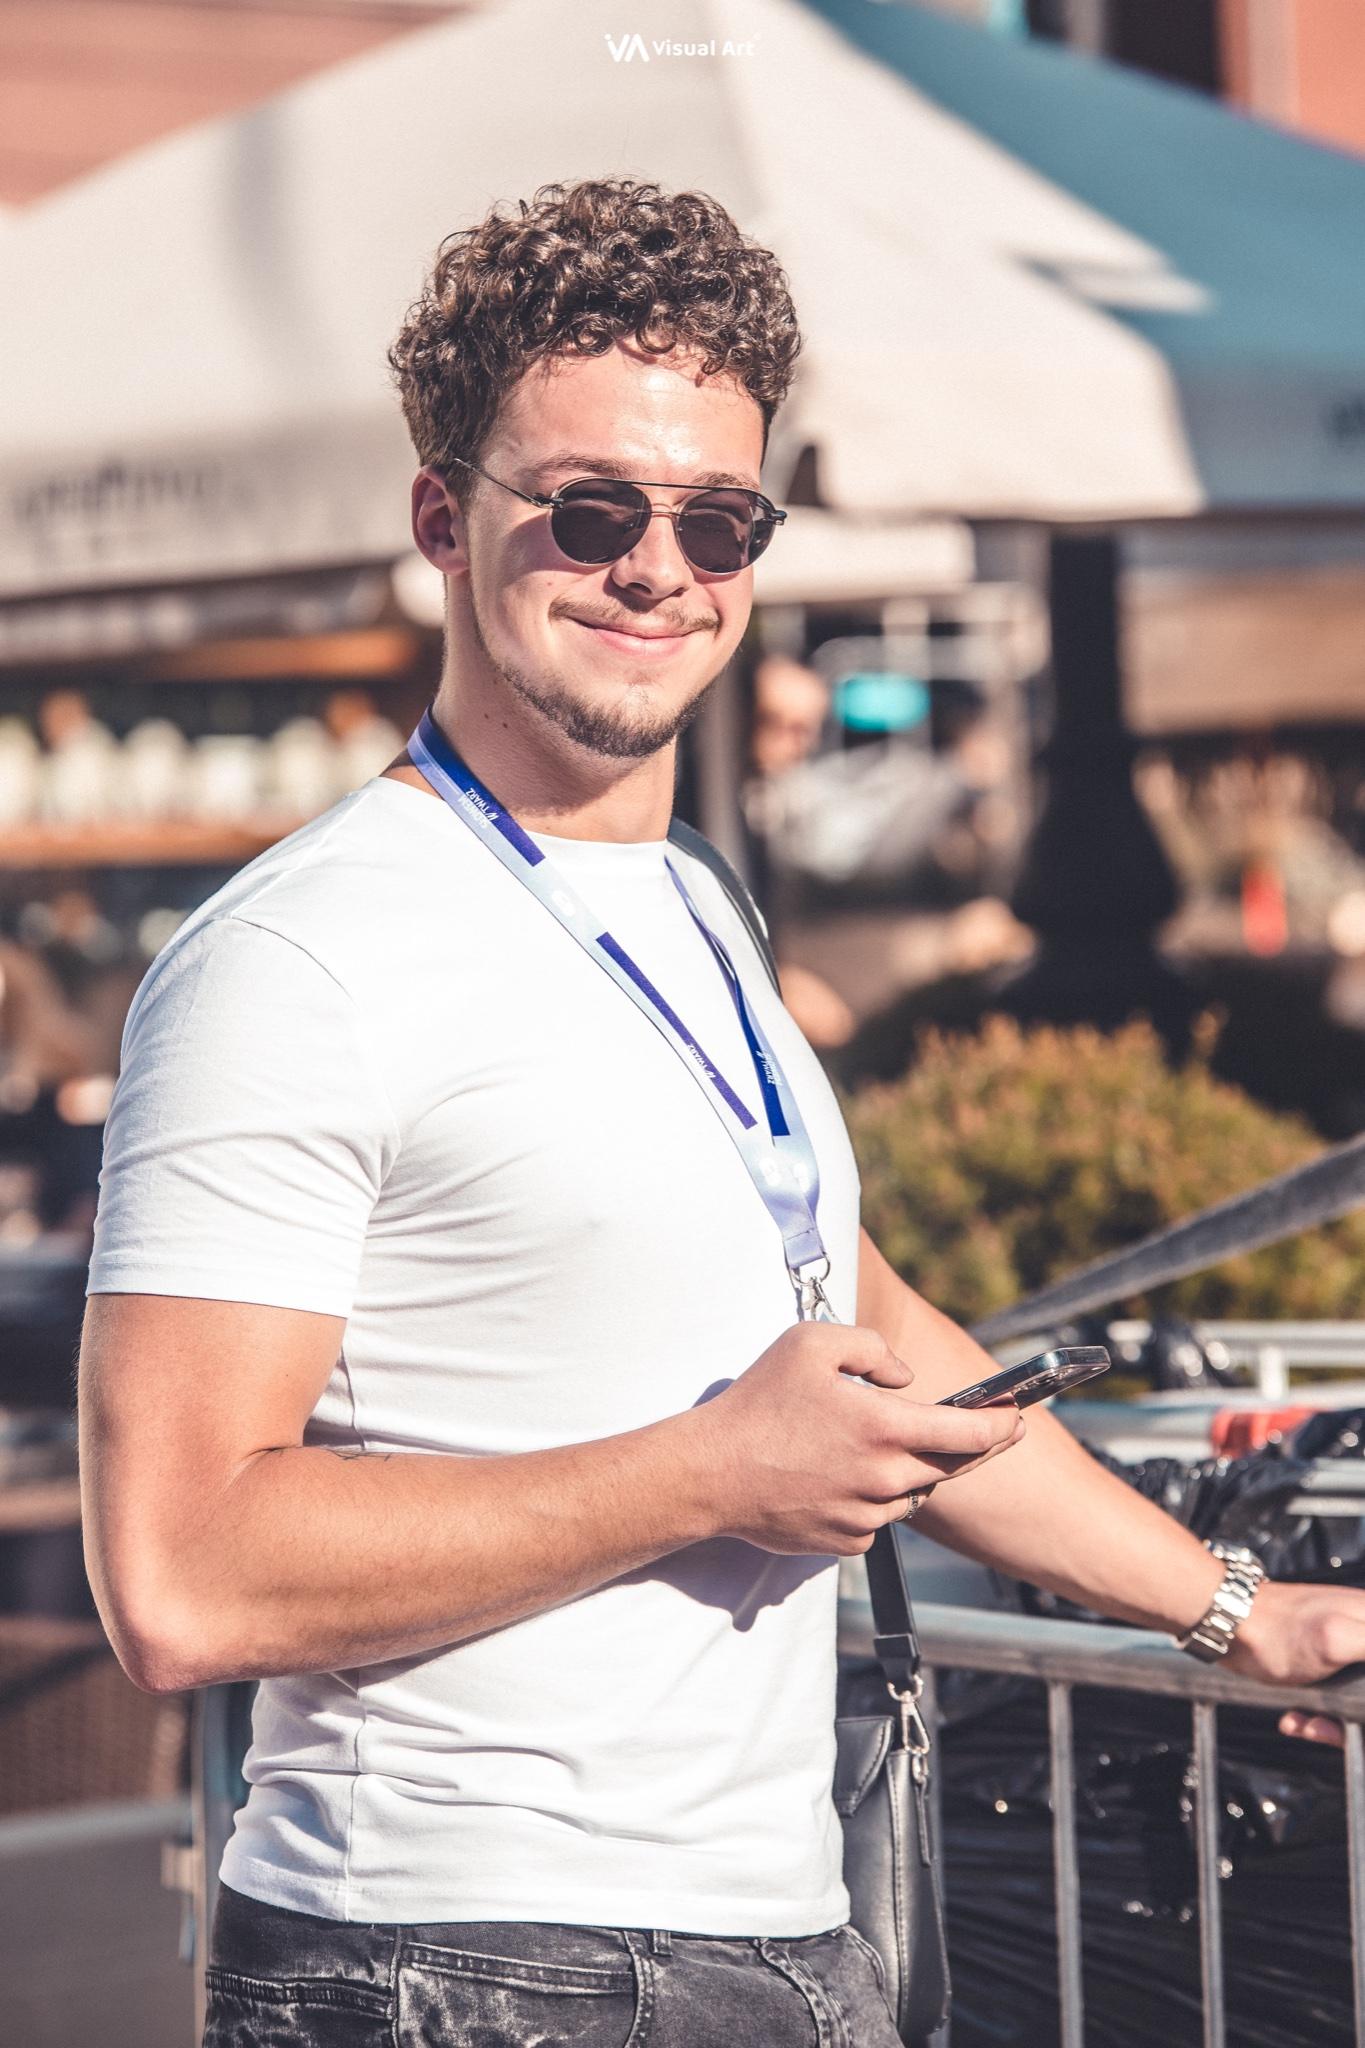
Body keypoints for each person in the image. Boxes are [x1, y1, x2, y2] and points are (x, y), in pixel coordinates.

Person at [79, 178, 1365, 2048]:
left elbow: (868, 1339)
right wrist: (709, 1474)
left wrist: (1239, 1610)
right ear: (444, 521)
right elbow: (177, 1573)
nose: (659, 570)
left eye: (715, 517)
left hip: (776, 1936)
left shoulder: (692, 908)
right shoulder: (295, 959)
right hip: (455, 1963)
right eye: (588, 510)